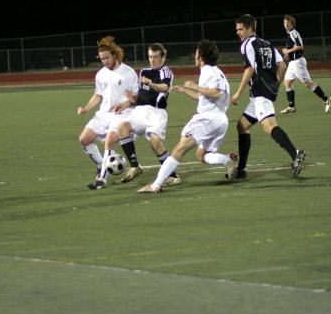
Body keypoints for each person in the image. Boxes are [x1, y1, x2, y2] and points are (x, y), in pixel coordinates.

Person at [138, 40, 237, 193]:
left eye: (197, 52)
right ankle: (226, 160)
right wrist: (184, 90)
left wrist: (194, 86)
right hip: (220, 119)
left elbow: (215, 93)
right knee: (202, 154)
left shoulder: (208, 71)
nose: (195, 55)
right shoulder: (217, 71)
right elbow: (205, 96)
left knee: (179, 149)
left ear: (201, 56)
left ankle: (156, 184)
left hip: (207, 119)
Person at [89, 43, 180, 189]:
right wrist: (130, 100)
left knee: (155, 144)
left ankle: (173, 176)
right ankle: (135, 166)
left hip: (156, 113)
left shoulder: (165, 71)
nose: (152, 60)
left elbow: (164, 87)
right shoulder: (144, 71)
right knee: (122, 128)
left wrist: (151, 84)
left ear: (163, 57)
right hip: (139, 110)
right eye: (150, 57)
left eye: (156, 57)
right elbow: (140, 96)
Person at [230, 14, 305, 179]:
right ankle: (241, 170)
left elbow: (249, 69)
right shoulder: (268, 44)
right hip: (261, 94)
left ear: (250, 28)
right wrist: (274, 85)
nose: (238, 32)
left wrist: (237, 93)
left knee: (269, 127)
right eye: (237, 29)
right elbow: (283, 66)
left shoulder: (246, 44)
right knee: (242, 126)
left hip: (259, 94)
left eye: (240, 29)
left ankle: (296, 154)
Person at [77, 36, 139, 187]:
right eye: (102, 59)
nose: (104, 61)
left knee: (109, 141)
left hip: (121, 114)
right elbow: (98, 95)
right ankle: (101, 164)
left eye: (107, 58)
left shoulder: (128, 72)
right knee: (84, 140)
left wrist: (126, 103)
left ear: (115, 55)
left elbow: (136, 96)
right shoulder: (101, 74)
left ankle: (102, 179)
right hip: (103, 114)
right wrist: (86, 108)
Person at [280, 14, 329, 114]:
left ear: (292, 24)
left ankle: (326, 99)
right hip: (292, 63)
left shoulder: (294, 33)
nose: (286, 24)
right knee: (287, 83)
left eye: (288, 23)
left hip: (298, 63)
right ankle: (291, 106)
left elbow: (300, 46)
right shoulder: (289, 35)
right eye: (284, 22)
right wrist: (287, 55)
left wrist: (287, 51)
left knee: (307, 83)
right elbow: (293, 49)